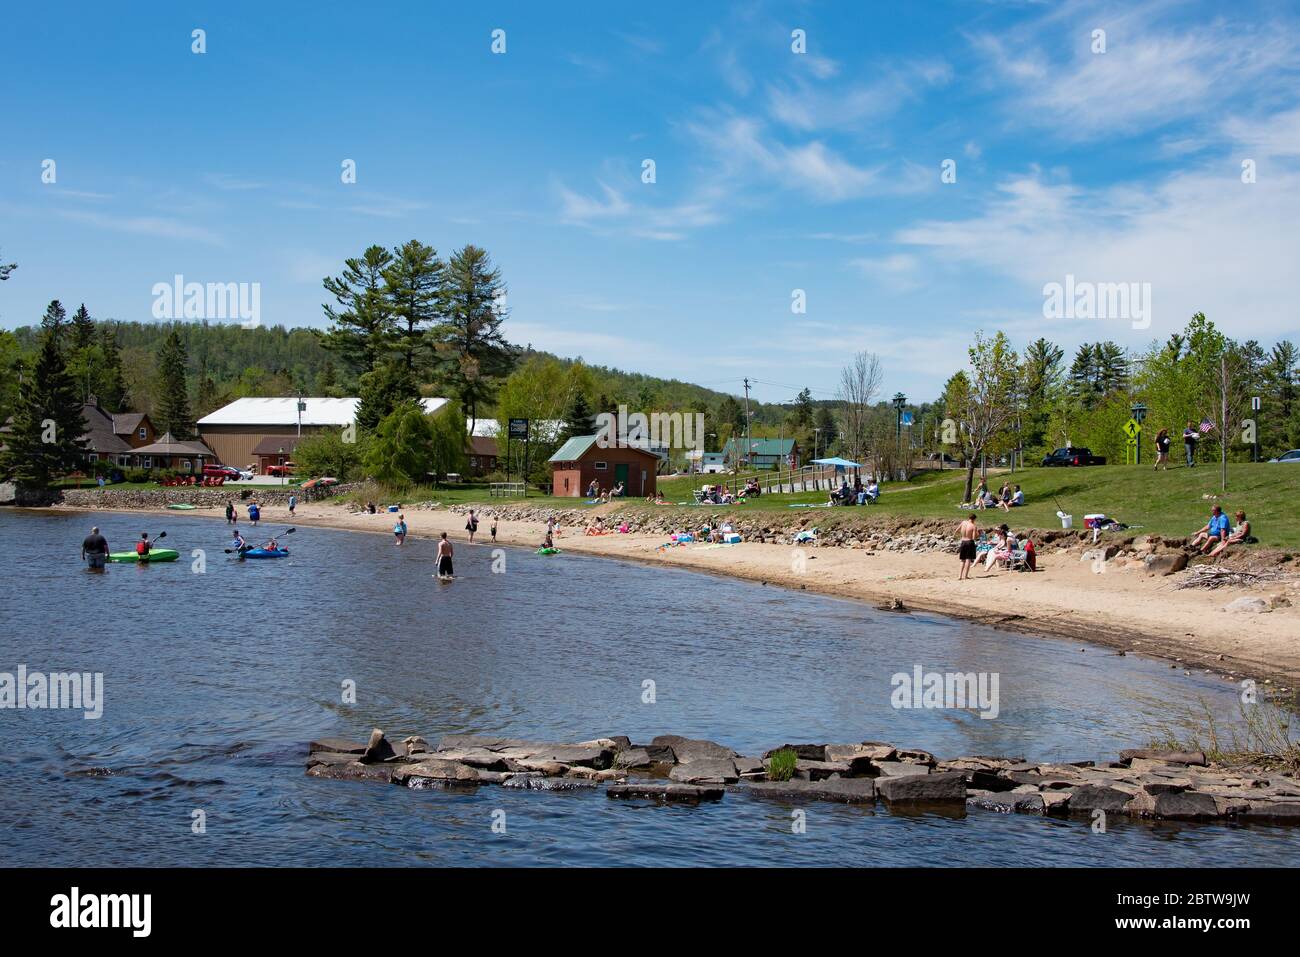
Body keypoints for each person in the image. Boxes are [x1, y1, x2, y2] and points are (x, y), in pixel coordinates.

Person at [958, 513, 978, 580]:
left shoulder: (963, 522)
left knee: (962, 560)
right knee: (968, 559)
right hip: (969, 542)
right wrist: (978, 533)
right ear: (974, 519)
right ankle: (965, 576)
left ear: (968, 517)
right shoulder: (973, 526)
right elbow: (974, 538)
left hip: (963, 541)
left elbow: (957, 530)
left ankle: (960, 576)